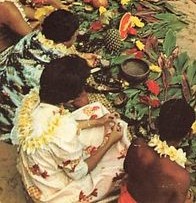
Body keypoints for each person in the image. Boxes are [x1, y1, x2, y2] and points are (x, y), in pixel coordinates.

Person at [11, 55, 130, 202]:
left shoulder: (33, 99)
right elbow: (79, 172)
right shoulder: (64, 130)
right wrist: (110, 141)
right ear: (69, 100)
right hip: (52, 189)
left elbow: (55, 129)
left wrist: (98, 122)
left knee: (97, 112)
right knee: (118, 167)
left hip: (39, 165)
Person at [0, 9, 99, 140]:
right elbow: (81, 101)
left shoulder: (32, 37)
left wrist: (80, 57)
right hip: (15, 122)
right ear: (66, 40)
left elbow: (50, 52)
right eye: (75, 35)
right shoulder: (61, 67)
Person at [119, 99, 196, 203]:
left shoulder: (138, 145)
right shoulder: (181, 177)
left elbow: (126, 169)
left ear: (156, 122)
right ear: (189, 134)